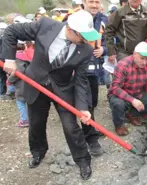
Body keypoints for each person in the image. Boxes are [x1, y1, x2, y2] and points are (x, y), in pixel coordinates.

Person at [1, 10, 101, 180]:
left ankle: (83, 160)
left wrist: (83, 108)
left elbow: (81, 81)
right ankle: (38, 152)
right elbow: (12, 32)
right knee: (36, 123)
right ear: (70, 29)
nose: (86, 40)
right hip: (35, 83)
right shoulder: (45, 25)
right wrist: (9, 59)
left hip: (62, 88)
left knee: (71, 126)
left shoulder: (85, 50)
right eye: (83, 36)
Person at [81, 0, 108, 155]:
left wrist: (104, 49)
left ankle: (91, 126)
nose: (94, 4)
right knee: (86, 103)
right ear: (84, 2)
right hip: (78, 71)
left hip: (95, 71)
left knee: (93, 102)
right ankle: (91, 138)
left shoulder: (104, 20)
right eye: (91, 1)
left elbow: (110, 40)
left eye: (97, 1)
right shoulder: (74, 19)